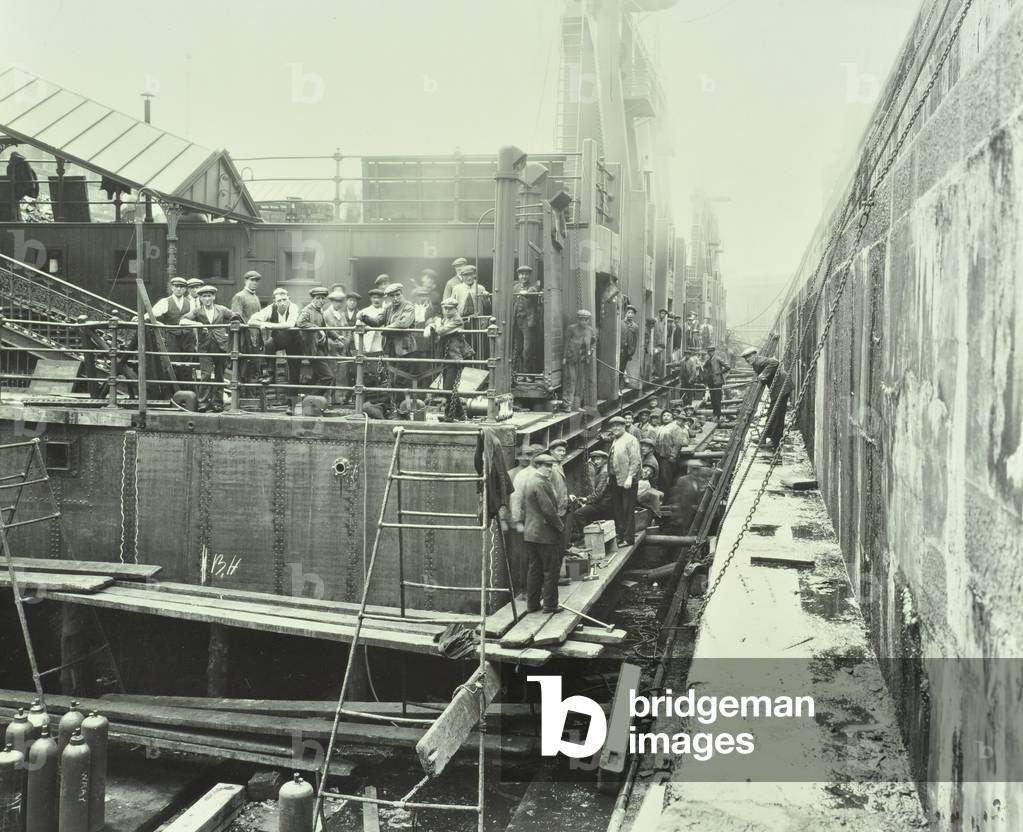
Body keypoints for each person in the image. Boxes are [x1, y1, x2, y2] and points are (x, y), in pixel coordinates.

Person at [178, 285, 242, 412]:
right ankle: (203, 403)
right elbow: (182, 321)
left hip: (220, 347)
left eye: (209, 296)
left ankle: (218, 403)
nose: (207, 299)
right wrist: (198, 324)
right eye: (204, 296)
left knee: (219, 376)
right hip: (204, 348)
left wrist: (230, 329)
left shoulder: (222, 310)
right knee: (205, 375)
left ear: (214, 297)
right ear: (200, 298)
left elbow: (236, 317)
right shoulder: (197, 311)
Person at [521, 454, 566, 614]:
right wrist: (560, 527)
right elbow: (548, 510)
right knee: (551, 570)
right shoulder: (540, 483)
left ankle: (532, 605)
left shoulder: (531, 481)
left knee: (534, 569)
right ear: (538, 465)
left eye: (551, 465)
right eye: (546, 465)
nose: (550, 469)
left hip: (531, 533)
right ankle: (550, 605)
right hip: (545, 535)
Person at [249, 287, 302, 412]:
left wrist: (268, 325)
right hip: (280, 339)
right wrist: (260, 324)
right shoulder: (270, 308)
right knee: (269, 345)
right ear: (275, 302)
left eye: (284, 299)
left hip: (295, 341)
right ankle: (271, 374)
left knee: (294, 374)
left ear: (288, 299)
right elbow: (252, 320)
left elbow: (290, 324)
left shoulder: (293, 307)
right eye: (279, 300)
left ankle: (291, 406)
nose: (282, 303)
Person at [741, 347, 794, 448]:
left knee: (778, 415)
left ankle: (775, 441)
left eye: (749, 356)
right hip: (778, 389)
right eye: (745, 358)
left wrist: (763, 374)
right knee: (771, 413)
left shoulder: (759, 361)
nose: (747, 359)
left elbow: (775, 362)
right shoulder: (756, 364)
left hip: (782, 387)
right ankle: (765, 436)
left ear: (755, 355)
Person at [425, 297, 472, 392]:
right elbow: (438, 325)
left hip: (456, 357)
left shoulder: (457, 320)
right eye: (445, 308)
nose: (447, 311)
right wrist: (430, 325)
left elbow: (441, 331)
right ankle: (451, 407)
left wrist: (437, 323)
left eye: (450, 308)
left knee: (448, 388)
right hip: (447, 357)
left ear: (456, 309)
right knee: (447, 388)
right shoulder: (446, 319)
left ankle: (453, 406)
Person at [295, 286, 335, 398]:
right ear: (313, 299)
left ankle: (309, 400)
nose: (321, 301)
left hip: (320, 348)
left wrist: (336, 337)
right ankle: (310, 399)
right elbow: (300, 323)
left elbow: (324, 326)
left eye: (323, 298)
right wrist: (317, 329)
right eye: (318, 298)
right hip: (312, 349)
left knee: (317, 376)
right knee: (328, 377)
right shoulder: (307, 311)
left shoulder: (319, 311)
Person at [607, 415, 641, 546]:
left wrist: (630, 477)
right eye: (612, 426)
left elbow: (636, 460)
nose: (615, 428)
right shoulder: (616, 439)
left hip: (628, 481)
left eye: (618, 426)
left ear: (623, 426)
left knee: (628, 509)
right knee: (618, 509)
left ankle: (628, 538)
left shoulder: (631, 440)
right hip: (616, 479)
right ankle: (621, 535)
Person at [148, 276, 195, 369]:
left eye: (181, 287)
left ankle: (186, 383)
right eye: (176, 286)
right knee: (174, 361)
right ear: (172, 287)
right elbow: (151, 314)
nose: (178, 289)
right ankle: (173, 383)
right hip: (171, 335)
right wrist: (156, 322)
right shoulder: (165, 302)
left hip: (188, 336)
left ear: (185, 289)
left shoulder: (191, 302)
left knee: (187, 362)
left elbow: (195, 317)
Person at [381, 283, 417, 391]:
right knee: (391, 375)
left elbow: (404, 323)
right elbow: (378, 320)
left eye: (398, 294)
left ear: (402, 293)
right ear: (389, 297)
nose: (396, 298)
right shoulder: (389, 308)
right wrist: (363, 317)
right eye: (392, 296)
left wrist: (388, 327)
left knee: (402, 377)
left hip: (405, 348)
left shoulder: (409, 307)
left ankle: (402, 405)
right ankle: (392, 404)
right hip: (390, 347)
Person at [231, 270, 264, 384]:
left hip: (256, 336)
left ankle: (252, 394)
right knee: (244, 365)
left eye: (256, 281)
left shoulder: (255, 297)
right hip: (245, 337)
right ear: (246, 281)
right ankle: (242, 395)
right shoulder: (239, 296)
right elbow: (236, 317)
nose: (254, 283)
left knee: (254, 365)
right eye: (252, 280)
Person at [562, 309, 596, 411]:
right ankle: (567, 405)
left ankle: (576, 406)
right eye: (582, 319)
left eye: (586, 320)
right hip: (571, 359)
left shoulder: (590, 330)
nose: (584, 322)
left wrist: (591, 350)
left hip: (583, 360)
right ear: (578, 319)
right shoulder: (571, 329)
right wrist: (564, 357)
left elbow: (594, 342)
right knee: (571, 380)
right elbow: (566, 343)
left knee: (581, 383)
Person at [511, 265, 542, 373]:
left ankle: (528, 373)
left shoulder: (533, 287)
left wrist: (526, 293)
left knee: (527, 349)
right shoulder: (515, 287)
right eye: (521, 274)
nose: (523, 276)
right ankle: (516, 373)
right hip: (516, 321)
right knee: (517, 348)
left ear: (529, 276)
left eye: (526, 274)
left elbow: (532, 293)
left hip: (528, 322)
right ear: (518, 276)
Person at [322, 288, 350, 400]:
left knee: (342, 374)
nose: (338, 304)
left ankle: (341, 398)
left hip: (343, 349)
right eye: (336, 301)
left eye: (340, 302)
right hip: (331, 349)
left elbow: (348, 330)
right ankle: (330, 398)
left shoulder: (342, 314)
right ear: (331, 302)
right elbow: (324, 331)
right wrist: (335, 342)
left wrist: (346, 341)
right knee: (331, 373)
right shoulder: (325, 315)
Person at [654, 409, 689, 491]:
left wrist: (673, 456)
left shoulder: (675, 428)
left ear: (672, 417)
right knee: (660, 477)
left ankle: (666, 497)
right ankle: (661, 495)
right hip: (659, 455)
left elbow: (678, 443)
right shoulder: (661, 427)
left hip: (668, 457)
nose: (666, 417)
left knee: (666, 478)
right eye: (664, 415)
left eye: (668, 415)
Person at [701, 345, 731, 418]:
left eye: (711, 352)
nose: (710, 353)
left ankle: (718, 415)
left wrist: (719, 373)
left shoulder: (717, 359)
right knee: (713, 399)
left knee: (717, 399)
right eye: (709, 352)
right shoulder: (708, 360)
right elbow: (704, 367)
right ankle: (715, 414)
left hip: (717, 382)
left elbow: (728, 367)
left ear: (714, 352)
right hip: (711, 382)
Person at [619, 305, 639, 390]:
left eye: (632, 313)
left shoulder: (635, 327)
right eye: (629, 312)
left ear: (634, 315)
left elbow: (635, 340)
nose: (630, 314)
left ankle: (619, 387)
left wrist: (631, 352)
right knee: (618, 368)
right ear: (626, 313)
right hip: (619, 349)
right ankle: (618, 386)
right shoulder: (620, 323)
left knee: (621, 368)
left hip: (627, 351)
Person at [653, 309, 668, 378]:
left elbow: (662, 333)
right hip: (654, 343)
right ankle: (654, 372)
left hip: (660, 344)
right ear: (659, 313)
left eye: (664, 314)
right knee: (654, 357)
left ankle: (657, 373)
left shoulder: (663, 322)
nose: (663, 315)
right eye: (662, 313)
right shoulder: (655, 320)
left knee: (659, 358)